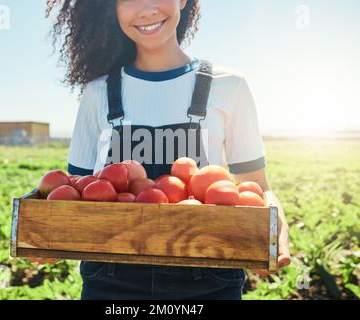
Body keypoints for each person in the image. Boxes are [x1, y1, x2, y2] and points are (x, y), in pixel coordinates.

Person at [34, 0, 291, 300]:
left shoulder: (229, 87)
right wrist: (51, 235)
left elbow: (258, 186)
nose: (146, 9)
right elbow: (75, 192)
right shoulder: (97, 93)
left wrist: (276, 229)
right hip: (112, 281)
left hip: (210, 276)